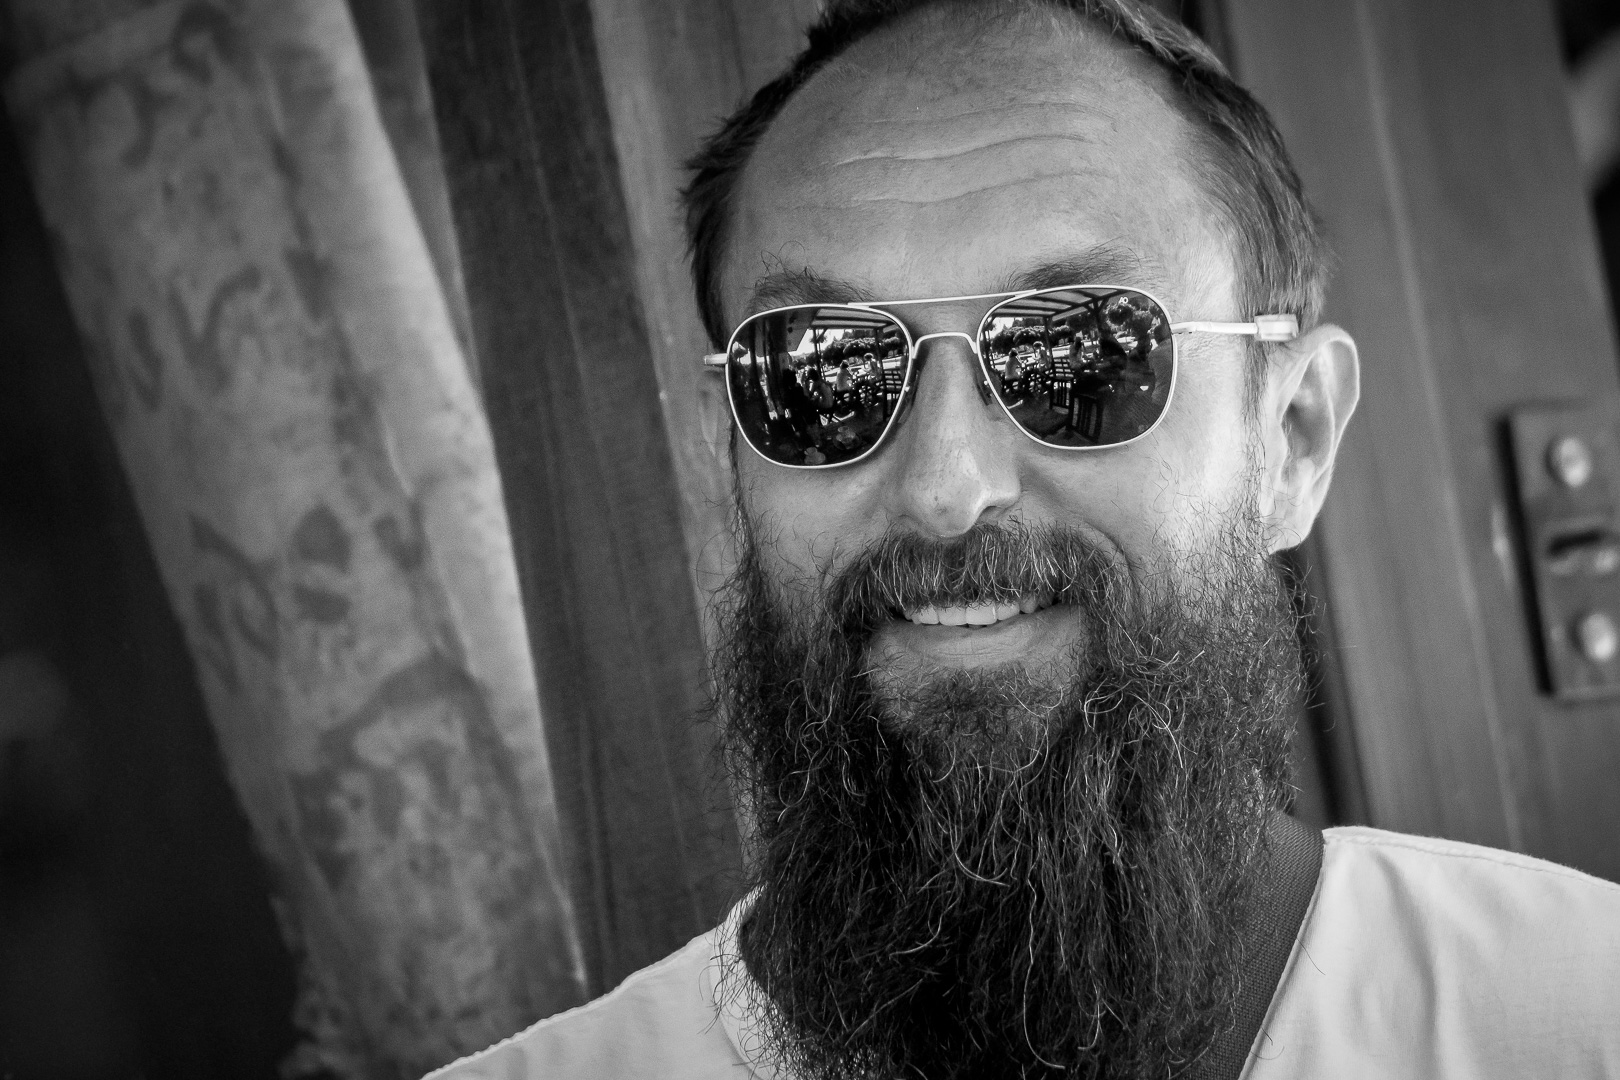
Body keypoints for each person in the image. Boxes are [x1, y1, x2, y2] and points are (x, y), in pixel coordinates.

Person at [428, 1, 1620, 1077]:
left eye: (1080, 354)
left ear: (1293, 438)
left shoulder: (1578, 1016)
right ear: (726, 442)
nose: (947, 488)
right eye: (827, 373)